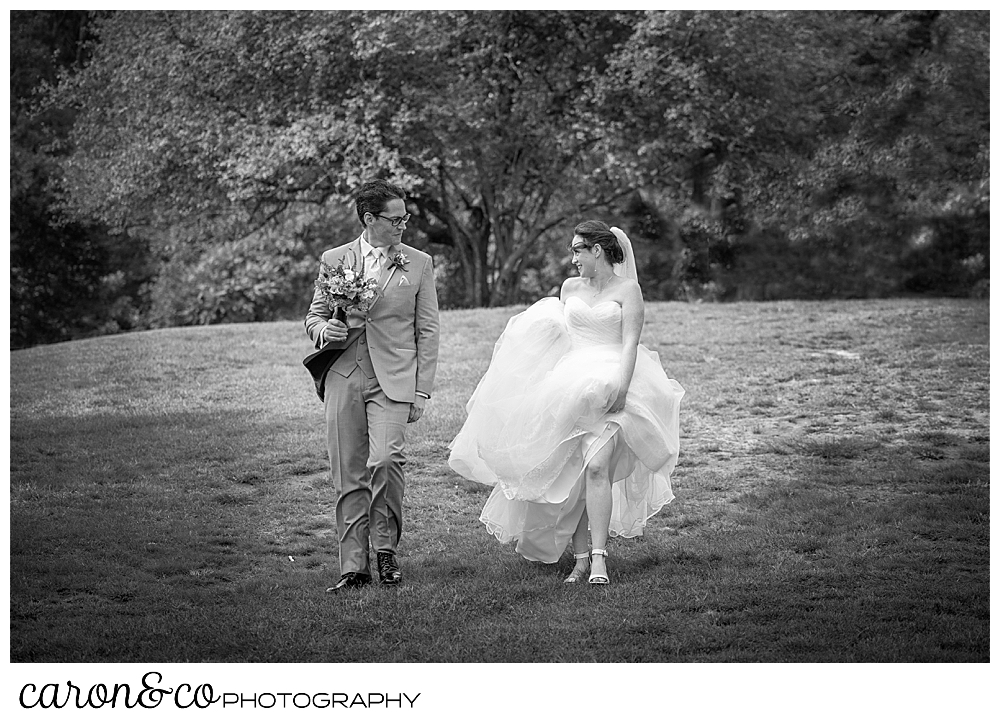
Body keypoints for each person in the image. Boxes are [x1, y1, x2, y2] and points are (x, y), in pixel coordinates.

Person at [448, 221, 683, 584]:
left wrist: (621, 387)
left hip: (611, 380)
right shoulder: (570, 287)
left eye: (577, 250)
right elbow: (561, 336)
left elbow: (629, 343)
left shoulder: (628, 290)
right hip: (569, 384)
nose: (572, 258)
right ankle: (579, 560)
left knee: (597, 466)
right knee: (572, 474)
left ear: (597, 251)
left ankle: (600, 560)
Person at [305, 179, 439, 592]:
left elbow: (427, 330)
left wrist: (421, 390)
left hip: (394, 379)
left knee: (385, 462)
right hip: (344, 374)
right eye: (396, 219)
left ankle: (385, 550)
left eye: (405, 218)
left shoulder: (418, 262)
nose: (404, 225)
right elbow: (314, 315)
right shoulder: (334, 258)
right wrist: (323, 329)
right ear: (369, 219)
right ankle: (353, 567)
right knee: (348, 472)